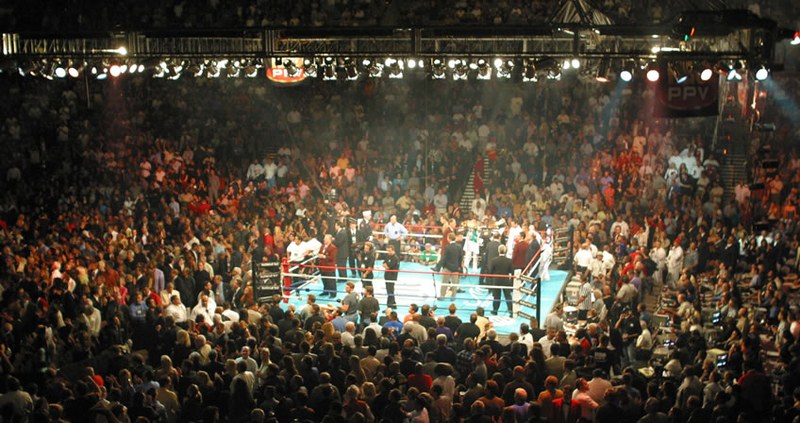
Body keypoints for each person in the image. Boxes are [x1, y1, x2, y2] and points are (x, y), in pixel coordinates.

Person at [487, 245, 514, 316]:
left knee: (496, 296)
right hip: (506, 281)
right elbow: (512, 272)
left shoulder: (494, 260)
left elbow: (490, 272)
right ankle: (511, 311)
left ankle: (495, 310)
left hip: (496, 281)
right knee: (508, 296)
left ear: (498, 251)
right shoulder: (509, 261)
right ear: (505, 251)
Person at [436, 233, 463, 300]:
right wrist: (460, 267)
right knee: (455, 283)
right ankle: (453, 297)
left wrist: (439, 267)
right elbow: (461, 258)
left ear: (449, 239)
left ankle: (442, 296)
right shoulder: (459, 247)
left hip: (447, 267)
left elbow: (444, 258)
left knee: (444, 282)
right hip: (456, 268)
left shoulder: (447, 247)